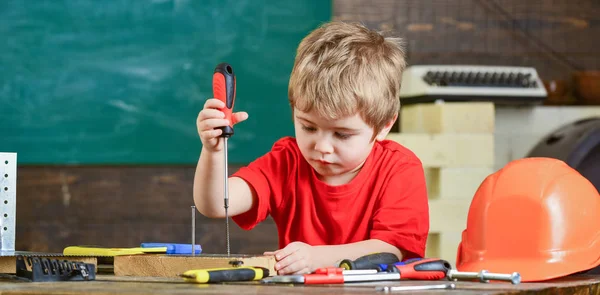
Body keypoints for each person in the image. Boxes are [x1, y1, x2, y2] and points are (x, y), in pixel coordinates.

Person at [193, 21, 429, 275]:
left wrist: (317, 258)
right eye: (308, 127)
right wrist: (213, 151)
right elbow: (216, 204)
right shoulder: (286, 162)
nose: (322, 146)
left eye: (342, 134)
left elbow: (392, 250)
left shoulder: (400, 169)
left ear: (384, 125)